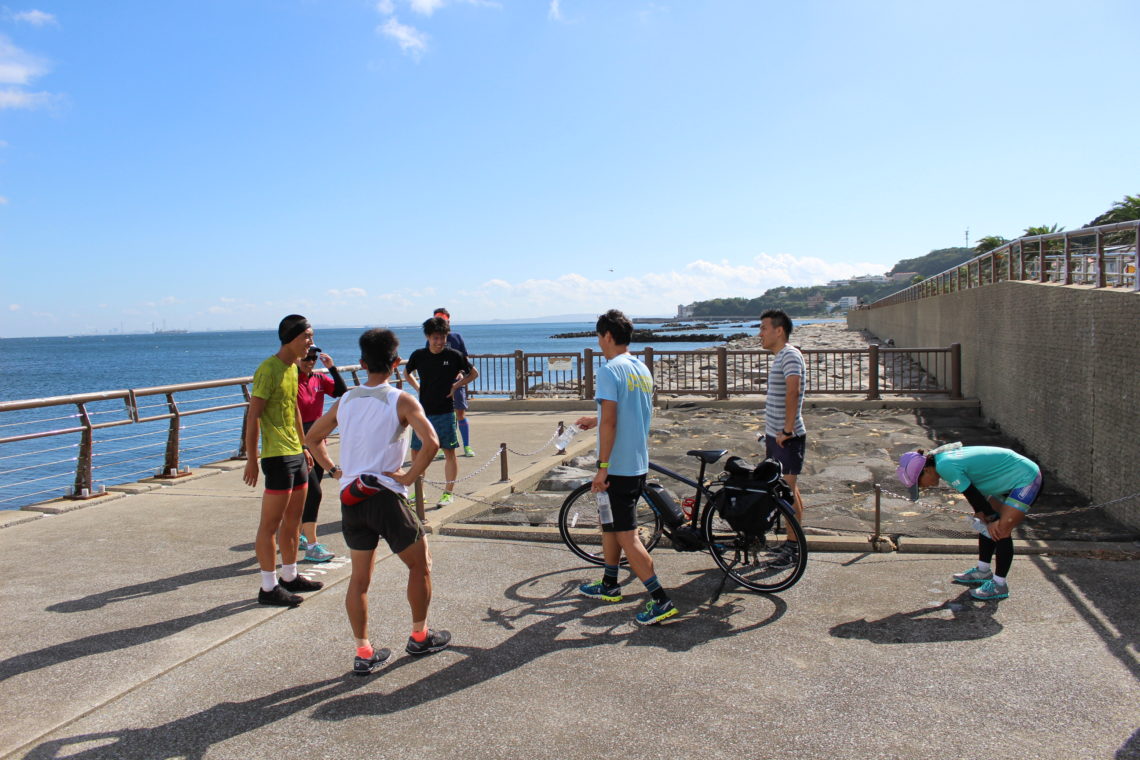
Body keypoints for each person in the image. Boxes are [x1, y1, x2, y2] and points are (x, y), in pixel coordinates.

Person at [305, 328, 451, 675]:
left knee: (360, 579)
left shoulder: (346, 400)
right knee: (420, 565)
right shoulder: (401, 399)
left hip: (352, 497)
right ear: (396, 363)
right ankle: (420, 636)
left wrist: (335, 471)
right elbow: (431, 442)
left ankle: (364, 652)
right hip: (385, 496)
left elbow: (312, 437)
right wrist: (409, 477)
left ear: (361, 363)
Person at [575, 309, 678, 626]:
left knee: (627, 535)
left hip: (617, 466)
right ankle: (609, 583)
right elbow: (626, 411)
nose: (599, 341)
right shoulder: (640, 368)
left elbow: (611, 421)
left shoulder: (609, 370)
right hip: (637, 461)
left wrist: (602, 467)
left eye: (599, 336)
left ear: (607, 336)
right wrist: (594, 418)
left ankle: (660, 599)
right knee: (610, 523)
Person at [242, 314, 324, 607]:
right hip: (276, 456)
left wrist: (304, 446)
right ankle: (268, 587)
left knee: (294, 521)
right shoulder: (269, 369)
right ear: (290, 337)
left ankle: (290, 576)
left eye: (311, 336)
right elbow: (254, 416)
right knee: (270, 524)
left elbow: (294, 410)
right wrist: (252, 459)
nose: (310, 343)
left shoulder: (293, 368)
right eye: (306, 337)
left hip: (295, 452)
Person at [897, 444, 1042, 600]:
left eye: (919, 483)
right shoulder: (939, 461)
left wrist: (992, 517)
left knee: (1001, 530)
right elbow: (972, 491)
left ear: (926, 470)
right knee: (985, 524)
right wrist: (983, 514)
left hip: (1025, 478)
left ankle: (999, 585)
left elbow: (971, 493)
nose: (923, 487)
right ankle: (983, 571)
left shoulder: (945, 466)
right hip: (1006, 480)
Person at [405, 316, 478, 508]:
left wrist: (456, 386)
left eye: (443, 337)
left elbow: (473, 373)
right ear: (428, 337)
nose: (439, 342)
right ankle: (419, 492)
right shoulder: (418, 355)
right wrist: (417, 387)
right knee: (416, 452)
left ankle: (448, 493)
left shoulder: (454, 355)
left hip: (445, 411)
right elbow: (406, 372)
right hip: (422, 413)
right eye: (435, 338)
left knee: (449, 452)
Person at [758, 309, 806, 568]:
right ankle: (792, 542)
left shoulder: (790, 355)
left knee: (787, 491)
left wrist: (787, 430)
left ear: (779, 330)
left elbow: (793, 390)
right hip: (777, 436)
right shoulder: (781, 357)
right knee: (789, 490)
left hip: (787, 437)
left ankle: (794, 548)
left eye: (764, 328)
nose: (760, 334)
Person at [296, 345, 348, 563]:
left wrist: (332, 368)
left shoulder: (318, 379)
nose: (310, 361)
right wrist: (302, 445)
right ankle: (312, 545)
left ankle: (300, 533)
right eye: (306, 358)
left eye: (313, 358)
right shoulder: (291, 380)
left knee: (310, 490)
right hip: (298, 441)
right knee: (313, 492)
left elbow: (342, 392)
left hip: (317, 439)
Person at [428, 308, 476, 457]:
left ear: (448, 322)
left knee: (460, 413)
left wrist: (462, 372)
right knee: (443, 415)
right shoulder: (430, 338)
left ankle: (467, 446)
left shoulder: (456, 337)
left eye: (443, 321)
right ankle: (443, 446)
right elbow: (429, 360)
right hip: (439, 383)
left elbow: (464, 359)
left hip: (456, 381)